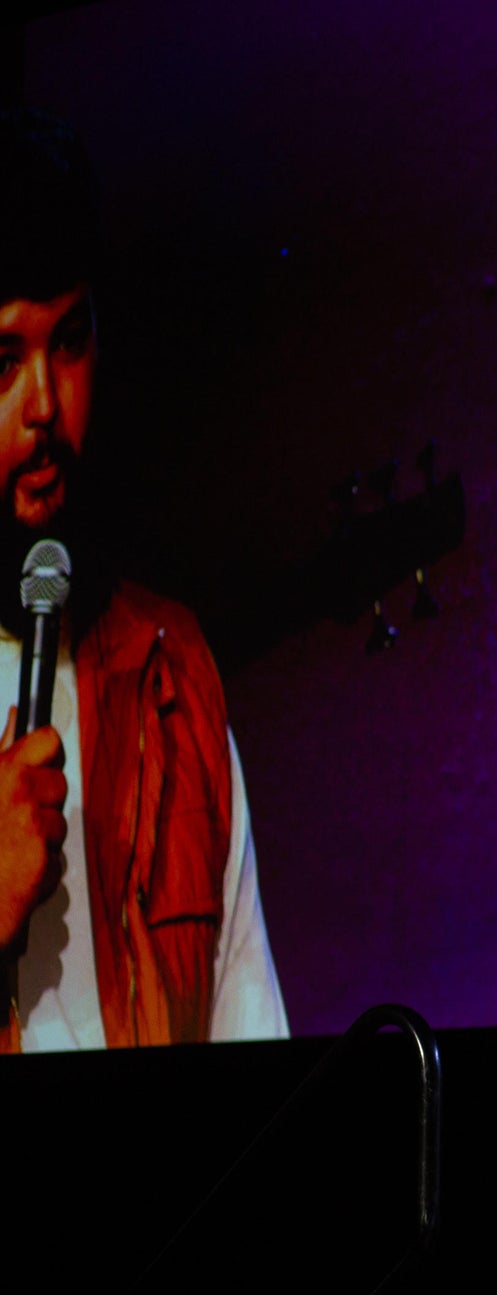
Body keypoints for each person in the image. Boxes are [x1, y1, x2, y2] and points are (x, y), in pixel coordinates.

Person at [0, 109, 284, 1050]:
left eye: (70, 342)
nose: (44, 406)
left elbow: (247, 1021)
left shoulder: (169, 666)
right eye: (2, 361)